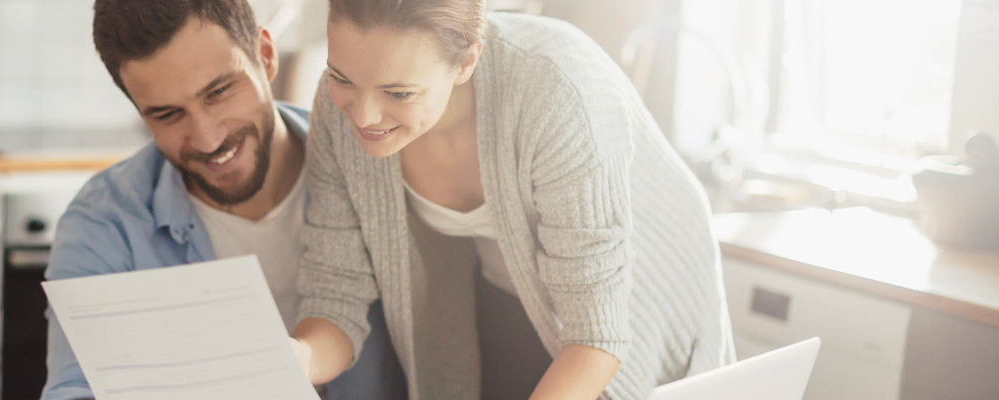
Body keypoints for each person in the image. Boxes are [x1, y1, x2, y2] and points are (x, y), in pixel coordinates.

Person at [287, 1, 736, 399]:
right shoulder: (336, 115)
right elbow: (335, 292)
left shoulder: (557, 92)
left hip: (640, 284)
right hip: (503, 283)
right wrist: (298, 358)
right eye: (341, 77)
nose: (362, 115)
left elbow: (596, 336)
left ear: (466, 60)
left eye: (399, 93)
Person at [41, 1, 405, 399]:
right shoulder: (105, 222)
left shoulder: (375, 169)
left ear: (265, 57)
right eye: (167, 114)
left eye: (218, 92)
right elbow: (74, 389)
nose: (207, 139)